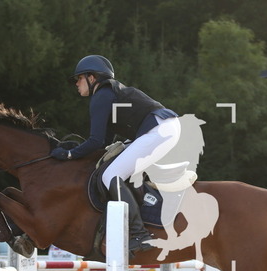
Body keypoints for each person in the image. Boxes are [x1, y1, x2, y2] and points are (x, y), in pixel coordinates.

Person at [50, 55, 181, 255]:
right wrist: (78, 154)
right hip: (162, 128)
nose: (76, 83)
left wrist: (69, 154)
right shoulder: (108, 94)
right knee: (113, 169)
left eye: (79, 78)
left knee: (111, 175)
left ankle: (140, 234)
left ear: (92, 78)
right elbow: (103, 143)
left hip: (159, 129)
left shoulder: (102, 96)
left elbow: (95, 141)